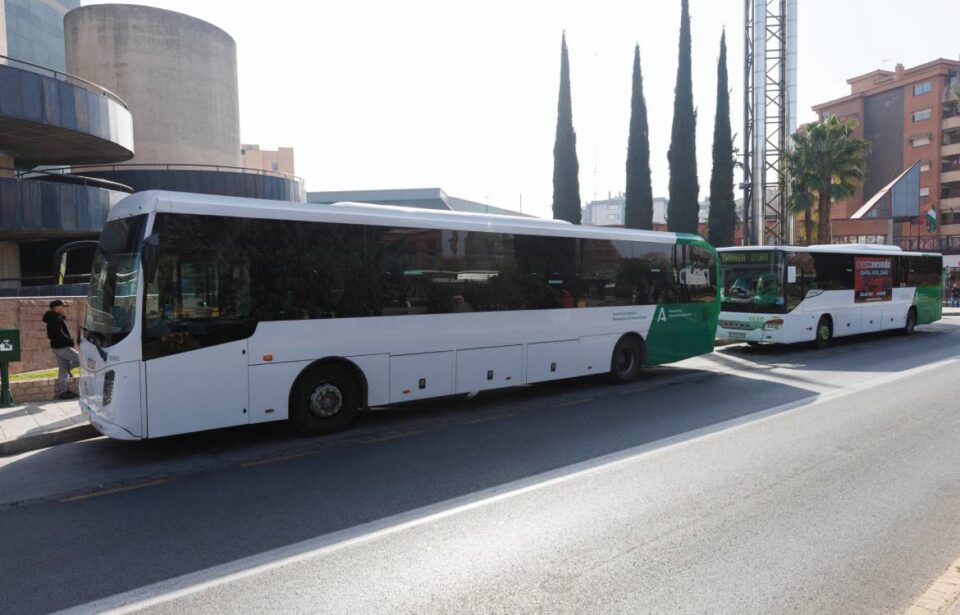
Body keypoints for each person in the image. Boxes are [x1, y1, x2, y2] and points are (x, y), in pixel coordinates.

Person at [42, 300, 79, 400]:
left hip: (58, 346)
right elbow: (56, 333)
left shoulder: (55, 317)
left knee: (63, 370)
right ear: (57, 307)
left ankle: (63, 392)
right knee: (83, 360)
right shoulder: (54, 318)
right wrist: (69, 340)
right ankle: (68, 369)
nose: (64, 308)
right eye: (63, 306)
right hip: (62, 346)